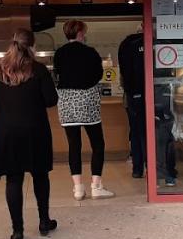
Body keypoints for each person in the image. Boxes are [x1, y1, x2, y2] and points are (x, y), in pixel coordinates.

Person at [0, 28, 59, 239]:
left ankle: (17, 231)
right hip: (35, 131)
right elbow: (51, 100)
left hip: (7, 132)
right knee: (40, 175)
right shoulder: (39, 69)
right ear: (32, 46)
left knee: (13, 180)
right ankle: (44, 221)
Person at [54, 19, 113, 201]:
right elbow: (97, 75)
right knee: (97, 144)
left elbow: (57, 74)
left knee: (74, 145)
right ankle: (96, 186)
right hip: (87, 101)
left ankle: (78, 188)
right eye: (84, 31)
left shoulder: (59, 53)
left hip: (66, 102)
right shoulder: (90, 53)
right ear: (80, 32)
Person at [117, 25, 147, 179]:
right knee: (150, 133)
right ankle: (153, 166)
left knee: (135, 132)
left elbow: (123, 77)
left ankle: (137, 169)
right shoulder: (151, 43)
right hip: (152, 96)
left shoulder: (125, 45)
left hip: (131, 98)